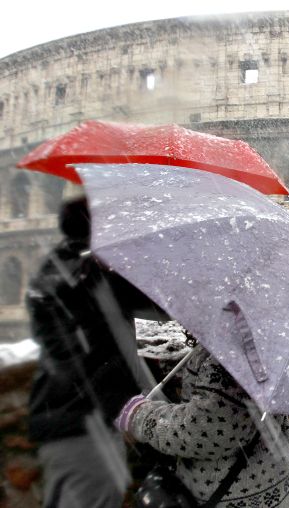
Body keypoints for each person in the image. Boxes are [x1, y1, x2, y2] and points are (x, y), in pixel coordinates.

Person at [26, 196, 164, 508]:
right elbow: (160, 325)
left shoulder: (57, 267)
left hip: (59, 417)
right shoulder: (96, 274)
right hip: (87, 426)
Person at [115, 346, 289, 507]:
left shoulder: (228, 354)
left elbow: (202, 432)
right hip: (275, 482)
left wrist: (138, 416)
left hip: (233, 496)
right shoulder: (265, 339)